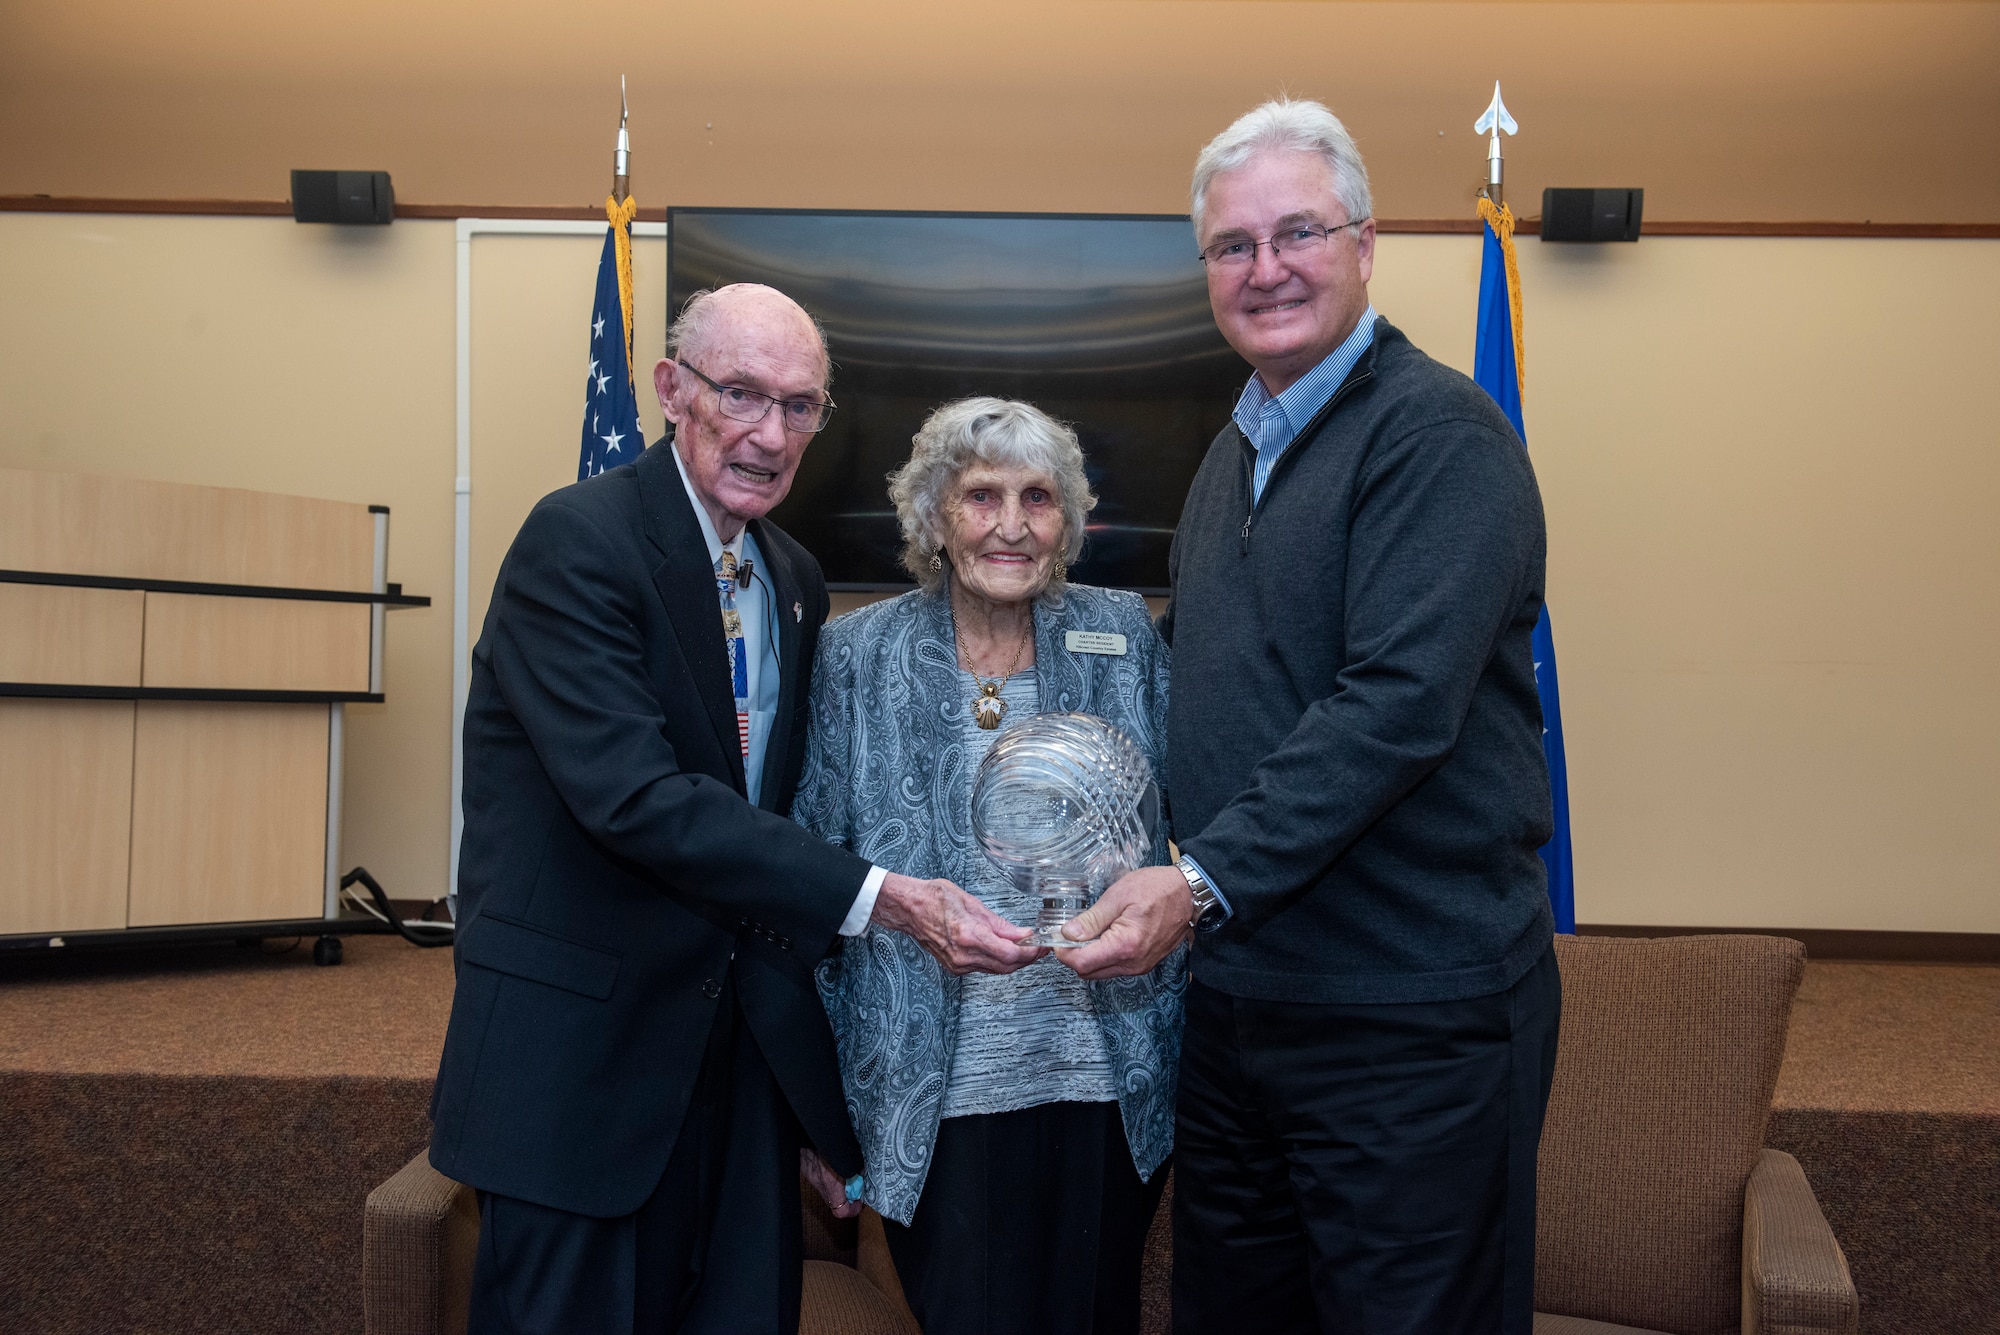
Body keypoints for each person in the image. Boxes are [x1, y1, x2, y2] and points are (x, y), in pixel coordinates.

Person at [429, 284, 1035, 1335]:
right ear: (671, 390)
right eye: (742, 394)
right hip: (582, 1073)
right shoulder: (577, 543)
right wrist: (885, 897)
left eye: (799, 406)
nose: (770, 433)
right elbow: (638, 802)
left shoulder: (790, 577)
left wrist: (810, 1104)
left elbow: (772, 841)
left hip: (735, 1082)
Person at [1060, 99, 1563, 1333]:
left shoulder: (1437, 436)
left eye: (1297, 232)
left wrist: (1198, 879)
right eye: (1232, 246)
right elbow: (1211, 663)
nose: (1265, 268)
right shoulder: (1240, 443)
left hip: (1404, 1014)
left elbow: (1392, 708)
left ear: (1363, 243)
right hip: (1245, 1002)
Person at [793, 397, 1181, 1335]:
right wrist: (813, 1105)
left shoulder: (1125, 634)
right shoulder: (856, 653)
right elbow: (810, 870)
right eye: (981, 496)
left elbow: (1199, 814)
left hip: (1105, 1073)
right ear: (934, 516)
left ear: (1068, 521)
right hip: (934, 1086)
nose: (1011, 525)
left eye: (1038, 497)